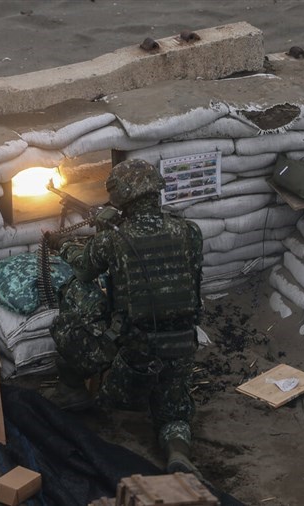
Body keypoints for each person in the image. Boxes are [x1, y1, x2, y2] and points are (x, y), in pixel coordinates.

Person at [47, 158, 204, 475]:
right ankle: (177, 450)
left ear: (121, 199)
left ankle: (72, 388)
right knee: (173, 412)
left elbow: (84, 270)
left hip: (134, 352)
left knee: (76, 298)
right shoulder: (189, 232)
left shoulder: (115, 239)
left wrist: (62, 244)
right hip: (183, 343)